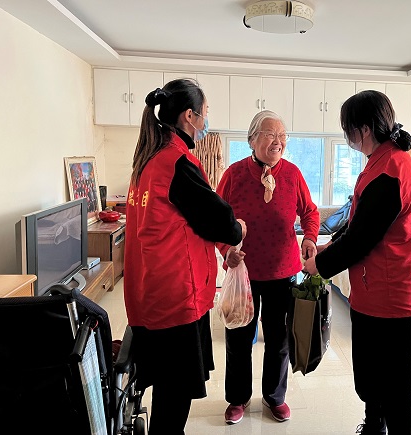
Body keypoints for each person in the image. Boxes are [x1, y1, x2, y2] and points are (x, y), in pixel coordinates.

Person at [303, 90, 411, 435]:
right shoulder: (384, 161)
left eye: (348, 129)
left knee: (395, 389)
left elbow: (363, 239)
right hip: (377, 292)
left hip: (394, 300)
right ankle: (374, 426)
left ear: (363, 129)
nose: (347, 137)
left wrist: (320, 265)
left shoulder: (391, 170)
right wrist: (329, 245)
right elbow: (358, 222)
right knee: (373, 378)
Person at [123, 78, 247, 435]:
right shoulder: (176, 162)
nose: (207, 121)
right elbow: (217, 219)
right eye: (205, 113)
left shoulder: (147, 161)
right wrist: (237, 229)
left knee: (166, 388)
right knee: (174, 397)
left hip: (150, 291)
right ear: (189, 116)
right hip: (176, 297)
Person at [216, 110, 320, 425]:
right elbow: (215, 221)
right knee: (238, 338)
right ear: (252, 140)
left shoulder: (293, 173)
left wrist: (310, 238)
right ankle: (238, 398)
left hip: (283, 272)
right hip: (242, 274)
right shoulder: (234, 174)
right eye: (270, 134)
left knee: (279, 340)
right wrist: (226, 251)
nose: (278, 141)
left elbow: (310, 212)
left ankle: (274, 397)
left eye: (282, 135)